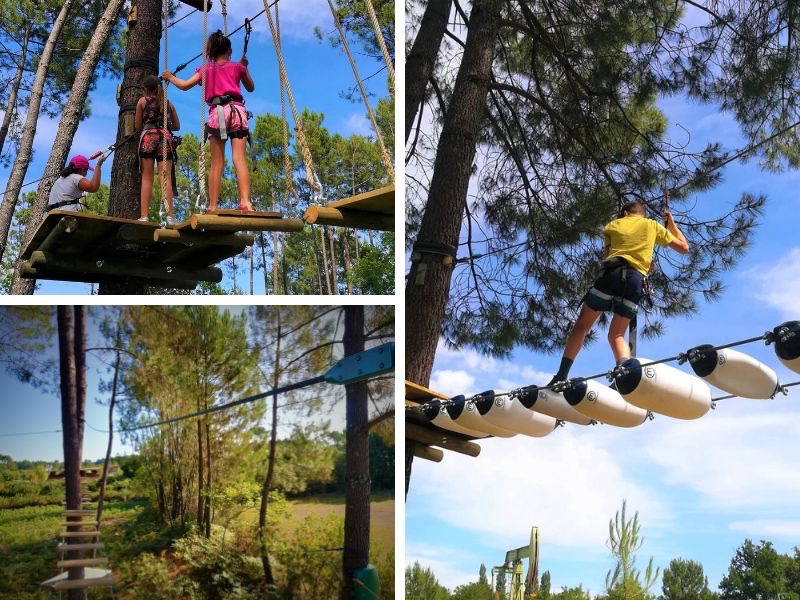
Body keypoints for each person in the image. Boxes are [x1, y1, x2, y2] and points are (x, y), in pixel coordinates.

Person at [547, 200, 689, 386]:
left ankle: (560, 376)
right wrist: (671, 223)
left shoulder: (612, 225)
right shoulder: (652, 225)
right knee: (616, 334)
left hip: (611, 275)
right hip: (635, 281)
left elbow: (607, 256)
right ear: (642, 214)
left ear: (625, 213)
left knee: (582, 326)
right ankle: (624, 375)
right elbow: (684, 247)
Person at [162, 31, 255, 212]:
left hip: (218, 112)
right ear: (229, 50)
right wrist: (244, 67)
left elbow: (184, 85)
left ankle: (212, 206)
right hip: (237, 111)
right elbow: (251, 88)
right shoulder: (238, 67)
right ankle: (245, 202)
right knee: (239, 158)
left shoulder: (205, 70)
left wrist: (170, 77)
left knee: (216, 162)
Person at [135, 74, 181, 224]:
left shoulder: (142, 101)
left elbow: (137, 126)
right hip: (164, 139)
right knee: (165, 178)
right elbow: (177, 126)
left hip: (149, 138)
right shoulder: (168, 103)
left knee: (147, 178)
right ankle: (169, 216)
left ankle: (144, 216)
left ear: (145, 89)